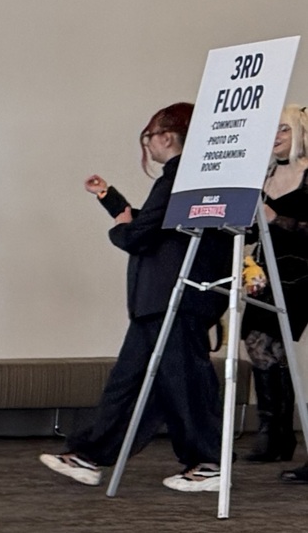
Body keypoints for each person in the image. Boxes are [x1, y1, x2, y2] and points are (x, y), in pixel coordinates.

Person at [42, 102, 228, 493]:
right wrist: (112, 201)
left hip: (173, 298)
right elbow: (155, 223)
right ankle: (90, 455)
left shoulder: (177, 178)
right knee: (137, 381)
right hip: (167, 298)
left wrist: (120, 230)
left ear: (164, 137)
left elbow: (141, 233)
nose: (150, 146)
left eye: (149, 138)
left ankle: (207, 461)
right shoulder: (192, 179)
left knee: (177, 381)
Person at [253, 104, 308, 477]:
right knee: (258, 344)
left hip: (300, 277)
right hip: (264, 275)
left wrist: (277, 220)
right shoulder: (265, 176)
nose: (275, 136)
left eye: (283, 129)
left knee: (280, 347)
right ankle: (273, 433)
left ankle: (281, 434)